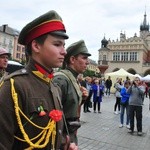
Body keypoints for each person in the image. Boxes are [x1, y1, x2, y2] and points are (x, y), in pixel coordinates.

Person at [0, 10, 78, 150]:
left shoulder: (54, 86)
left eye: (64, 45)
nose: (64, 51)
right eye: (57, 44)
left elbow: (52, 135)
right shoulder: (14, 86)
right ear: (36, 46)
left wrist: (63, 146)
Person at [53, 40, 91, 145]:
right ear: (73, 59)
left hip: (69, 136)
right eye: (84, 58)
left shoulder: (72, 79)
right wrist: (64, 142)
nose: (87, 62)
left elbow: (69, 107)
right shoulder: (61, 80)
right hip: (62, 140)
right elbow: (53, 116)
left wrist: (82, 99)